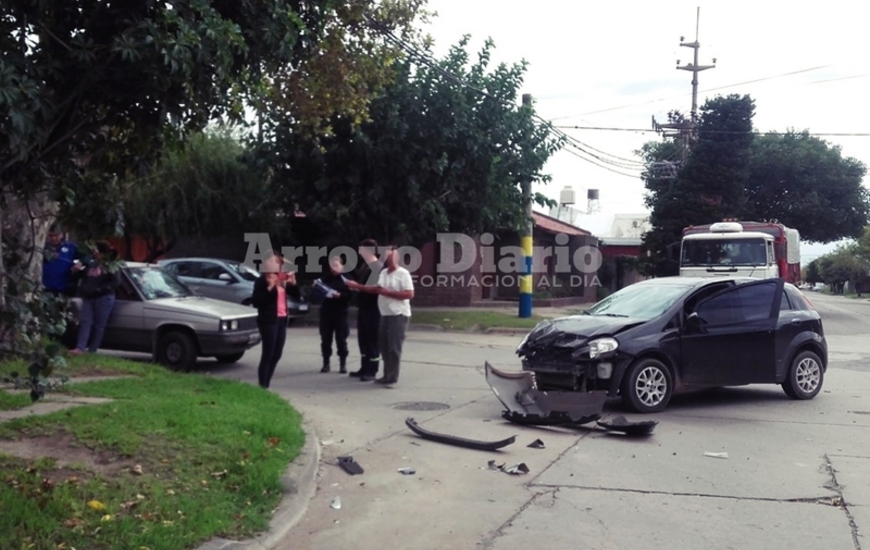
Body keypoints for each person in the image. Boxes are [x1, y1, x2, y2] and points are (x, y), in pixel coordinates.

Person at [347, 244, 414, 387]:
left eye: (391, 256)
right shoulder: (383, 273)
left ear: (397, 257)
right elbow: (376, 289)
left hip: (398, 314)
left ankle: (392, 378)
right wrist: (358, 286)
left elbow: (409, 294)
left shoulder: (403, 274)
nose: (388, 259)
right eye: (387, 256)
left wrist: (388, 293)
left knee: (394, 348)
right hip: (384, 313)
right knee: (383, 346)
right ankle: (386, 375)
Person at [251, 252, 297, 389]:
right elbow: (257, 302)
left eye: (276, 262)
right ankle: (262, 385)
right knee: (268, 353)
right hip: (268, 320)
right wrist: (270, 287)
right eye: (271, 262)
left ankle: (267, 384)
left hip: (282, 319)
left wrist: (293, 284)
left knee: (277, 354)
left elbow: (297, 296)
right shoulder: (261, 281)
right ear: (265, 264)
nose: (274, 265)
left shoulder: (281, 280)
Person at [69, 241, 121, 354]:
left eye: (96, 250)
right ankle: (80, 347)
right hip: (88, 297)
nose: (93, 252)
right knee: (85, 321)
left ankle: (93, 349)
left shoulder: (110, 265)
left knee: (99, 324)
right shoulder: (91, 264)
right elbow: (83, 276)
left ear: (102, 252)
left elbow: (116, 281)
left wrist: (100, 289)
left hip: (103, 298)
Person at [348, 239, 382, 381]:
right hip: (363, 307)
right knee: (363, 339)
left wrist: (358, 286)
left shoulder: (377, 267)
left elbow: (374, 288)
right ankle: (364, 366)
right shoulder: (365, 267)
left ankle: (372, 370)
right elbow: (363, 286)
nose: (359, 253)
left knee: (372, 339)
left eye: (361, 250)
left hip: (373, 309)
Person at [318, 255, 351, 373]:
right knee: (326, 339)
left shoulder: (346, 279)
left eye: (336, 265)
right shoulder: (324, 279)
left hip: (341, 313)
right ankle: (326, 363)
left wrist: (341, 295)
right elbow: (317, 295)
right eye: (332, 265)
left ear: (342, 266)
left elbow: (351, 295)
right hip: (326, 313)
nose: (334, 268)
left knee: (341, 339)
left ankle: (343, 364)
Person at [42, 224, 80, 295]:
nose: (53, 238)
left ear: (61, 235)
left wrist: (79, 264)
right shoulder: (42, 247)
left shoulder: (70, 247)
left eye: (56, 235)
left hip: (63, 290)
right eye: (51, 235)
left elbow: (86, 257)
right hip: (44, 289)